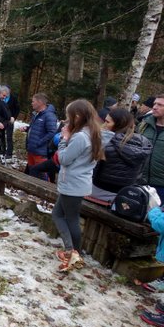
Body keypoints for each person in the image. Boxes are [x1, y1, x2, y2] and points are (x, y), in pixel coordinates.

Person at [52, 99, 104, 272]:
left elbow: (64, 159)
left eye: (69, 116)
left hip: (73, 184)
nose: (67, 120)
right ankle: (74, 252)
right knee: (59, 214)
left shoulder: (81, 137)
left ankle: (72, 252)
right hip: (78, 182)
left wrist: (64, 139)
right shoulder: (92, 132)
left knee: (69, 218)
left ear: (78, 116)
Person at [89, 108, 152, 202]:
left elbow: (91, 167)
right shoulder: (143, 143)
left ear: (119, 124)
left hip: (98, 190)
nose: (104, 125)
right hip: (125, 194)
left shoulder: (106, 141)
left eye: (107, 122)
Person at [22, 93, 58, 180]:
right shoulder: (36, 114)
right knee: (32, 172)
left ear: (40, 102)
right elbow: (38, 128)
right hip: (32, 149)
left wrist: (38, 143)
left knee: (41, 176)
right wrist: (27, 129)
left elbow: (52, 132)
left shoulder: (49, 115)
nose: (32, 103)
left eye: (33, 101)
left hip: (40, 151)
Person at [138, 95, 164, 204]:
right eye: (154, 104)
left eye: (160, 105)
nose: (154, 107)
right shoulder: (144, 125)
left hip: (161, 186)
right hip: (140, 182)